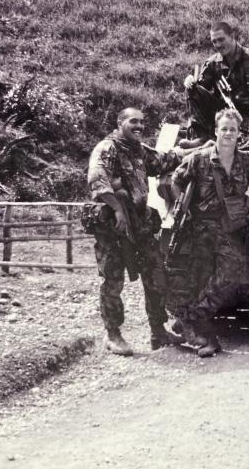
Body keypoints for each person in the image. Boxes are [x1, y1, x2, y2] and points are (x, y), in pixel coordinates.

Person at [171, 108, 249, 357]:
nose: (228, 133)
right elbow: (176, 180)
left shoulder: (247, 160)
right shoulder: (199, 159)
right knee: (201, 279)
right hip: (201, 229)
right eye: (224, 129)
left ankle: (190, 319)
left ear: (239, 134)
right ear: (216, 131)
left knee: (230, 273)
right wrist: (181, 207)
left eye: (233, 130)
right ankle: (196, 329)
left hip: (229, 230)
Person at [86, 108, 185, 356]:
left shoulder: (138, 150)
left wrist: (195, 149)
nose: (139, 126)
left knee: (156, 273)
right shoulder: (107, 148)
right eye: (133, 121)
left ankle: (158, 332)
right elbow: (97, 179)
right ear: (120, 123)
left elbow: (164, 160)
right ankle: (113, 334)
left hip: (140, 224)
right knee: (113, 279)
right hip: (114, 226)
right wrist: (117, 209)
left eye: (142, 122)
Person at [182, 21, 249, 154]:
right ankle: (202, 137)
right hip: (225, 116)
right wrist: (190, 82)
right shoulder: (213, 64)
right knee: (192, 89)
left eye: (221, 39)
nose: (218, 45)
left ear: (232, 36)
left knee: (244, 149)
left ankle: (218, 152)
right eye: (214, 42)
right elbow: (201, 93)